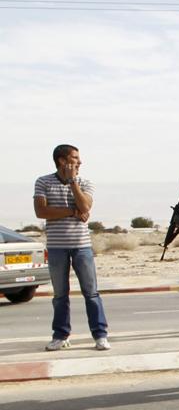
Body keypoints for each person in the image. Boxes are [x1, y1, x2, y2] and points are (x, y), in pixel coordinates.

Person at [33, 144, 110, 351]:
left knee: (91, 293)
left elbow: (85, 207)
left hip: (82, 246)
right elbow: (41, 211)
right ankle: (60, 335)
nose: (80, 161)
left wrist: (73, 182)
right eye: (75, 158)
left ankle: (100, 335)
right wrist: (71, 211)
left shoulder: (84, 182)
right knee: (60, 295)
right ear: (62, 161)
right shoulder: (43, 182)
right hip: (57, 247)